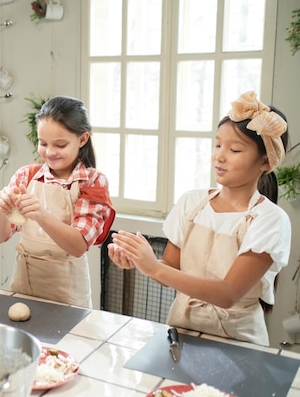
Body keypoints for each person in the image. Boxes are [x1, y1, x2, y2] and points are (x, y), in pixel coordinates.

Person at [109, 91, 291, 346]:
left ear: (265, 161)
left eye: (235, 149)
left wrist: (154, 267)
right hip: (181, 332)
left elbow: (228, 294)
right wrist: (138, 261)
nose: (219, 156)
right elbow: (170, 267)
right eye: (218, 145)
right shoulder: (191, 203)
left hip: (239, 342)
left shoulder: (270, 220)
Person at [0, 96, 116, 307]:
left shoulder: (93, 181)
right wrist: (4, 211)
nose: (49, 152)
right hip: (23, 286)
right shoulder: (26, 176)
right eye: (43, 143)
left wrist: (42, 215)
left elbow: (78, 246)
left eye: (60, 144)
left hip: (68, 295)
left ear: (82, 139)